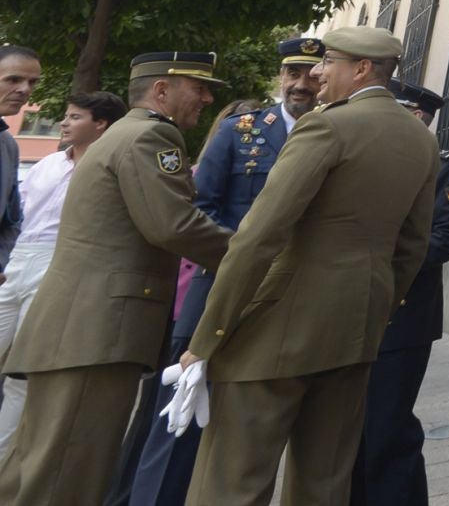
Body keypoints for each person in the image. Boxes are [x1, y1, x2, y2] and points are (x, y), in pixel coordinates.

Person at [179, 26, 439, 506]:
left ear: (361, 69)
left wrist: (209, 335)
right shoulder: (419, 139)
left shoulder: (325, 126)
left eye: (328, 62)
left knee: (233, 481)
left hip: (274, 327)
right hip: (354, 332)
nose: (317, 73)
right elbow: (411, 247)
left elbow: (259, 236)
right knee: (324, 485)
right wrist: (374, 316)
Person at [0, 52, 231, 506]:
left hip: (77, 329)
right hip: (98, 333)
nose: (206, 98)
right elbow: (174, 226)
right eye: (198, 87)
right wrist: (253, 255)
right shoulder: (152, 135)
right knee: (68, 475)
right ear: (161, 90)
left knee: (36, 468)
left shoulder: (123, 134)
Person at [127, 35, 325, 506]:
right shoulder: (241, 131)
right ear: (281, 77)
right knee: (178, 417)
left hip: (290, 300)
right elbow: (204, 206)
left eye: (311, 75)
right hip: (219, 288)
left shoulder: (334, 133)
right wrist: (243, 258)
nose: (301, 84)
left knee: (247, 422)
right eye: (292, 73)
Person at [353, 79, 449, 506]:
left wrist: (383, 261)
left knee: (387, 430)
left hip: (403, 318)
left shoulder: (446, 166)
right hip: (353, 312)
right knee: (350, 431)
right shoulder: (369, 162)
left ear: (417, 116)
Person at [0, 89, 127, 461]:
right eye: (66, 116)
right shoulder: (48, 164)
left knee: (23, 371)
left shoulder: (108, 169)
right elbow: (17, 211)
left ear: (100, 124)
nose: (64, 123)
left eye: (75, 117)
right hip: (15, 258)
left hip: (59, 264)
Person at [0, 46, 39, 288]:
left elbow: (11, 217)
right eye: (13, 79)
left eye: (32, 82)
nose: (25, 90)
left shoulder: (7, 145)